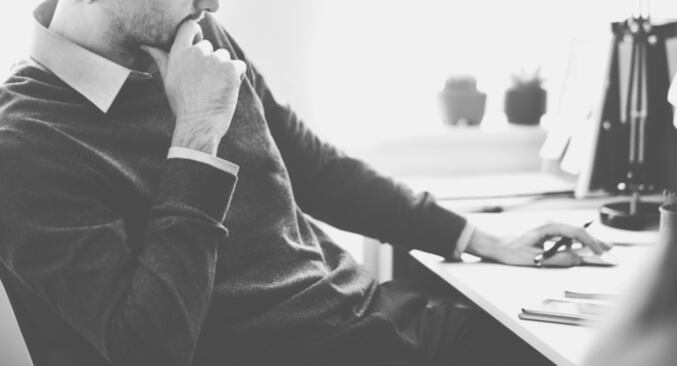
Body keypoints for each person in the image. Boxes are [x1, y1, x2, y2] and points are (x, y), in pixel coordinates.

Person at [0, 0, 609, 365]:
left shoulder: (196, 35)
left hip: (377, 324)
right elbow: (147, 349)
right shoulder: (24, 145)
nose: (212, 3)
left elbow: (311, 167)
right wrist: (197, 136)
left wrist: (476, 236)